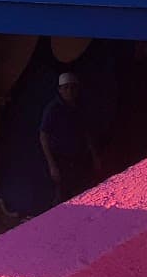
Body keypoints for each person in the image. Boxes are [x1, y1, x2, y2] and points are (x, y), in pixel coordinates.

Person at [39, 72, 101, 202]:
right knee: (62, 195)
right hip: (61, 160)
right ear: (60, 90)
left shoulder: (79, 108)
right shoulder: (53, 109)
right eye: (66, 87)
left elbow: (86, 132)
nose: (69, 91)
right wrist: (52, 165)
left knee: (82, 192)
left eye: (73, 87)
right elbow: (43, 136)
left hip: (79, 158)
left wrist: (94, 156)